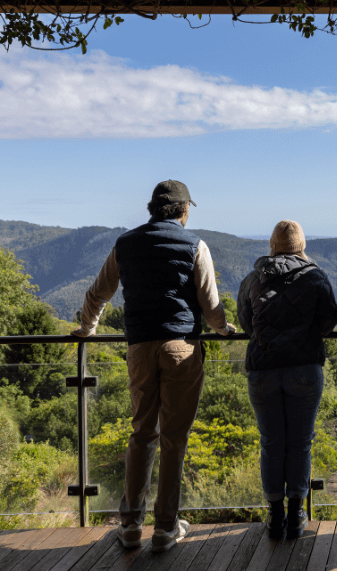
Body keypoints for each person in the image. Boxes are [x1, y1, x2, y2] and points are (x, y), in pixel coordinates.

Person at [72, 180, 235, 552]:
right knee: (174, 438)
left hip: (140, 347)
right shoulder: (195, 244)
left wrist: (87, 329)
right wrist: (223, 329)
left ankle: (129, 524)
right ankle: (165, 528)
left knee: (142, 432)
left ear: (151, 209)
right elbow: (210, 303)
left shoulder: (125, 244)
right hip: (182, 347)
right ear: (183, 210)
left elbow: (98, 292)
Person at [237, 220, 337, 540]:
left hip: (263, 369)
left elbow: (245, 323)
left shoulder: (253, 279)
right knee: (300, 442)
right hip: (304, 369)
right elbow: (327, 323)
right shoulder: (316, 277)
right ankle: (297, 514)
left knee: (271, 442)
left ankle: (275, 514)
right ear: (302, 247)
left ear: (272, 245)